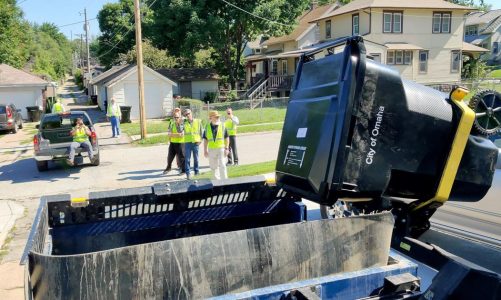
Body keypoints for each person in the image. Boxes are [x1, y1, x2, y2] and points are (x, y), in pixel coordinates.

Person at [203, 111, 229, 180]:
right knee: (213, 167)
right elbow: (205, 139)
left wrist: (226, 148)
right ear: (211, 118)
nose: (218, 118)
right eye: (216, 116)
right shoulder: (207, 127)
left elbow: (227, 137)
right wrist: (205, 150)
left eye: (218, 117)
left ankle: (225, 182)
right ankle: (216, 183)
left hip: (221, 148)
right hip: (211, 149)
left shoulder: (222, 125)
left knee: (222, 165)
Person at [183, 109, 202, 179]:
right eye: (186, 114)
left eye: (188, 113)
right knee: (187, 159)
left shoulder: (198, 121)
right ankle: (188, 174)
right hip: (187, 143)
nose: (187, 115)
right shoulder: (184, 123)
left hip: (196, 142)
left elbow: (201, 132)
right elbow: (179, 130)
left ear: (191, 113)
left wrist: (200, 140)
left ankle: (196, 172)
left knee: (196, 158)